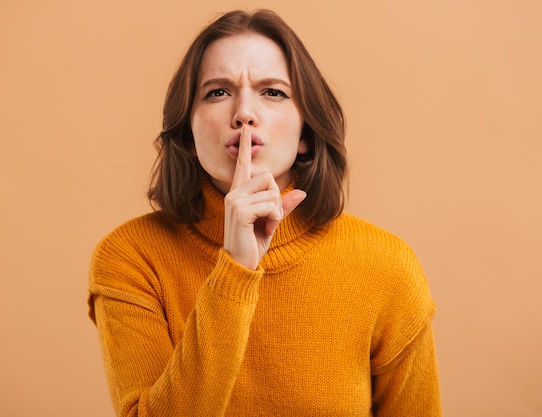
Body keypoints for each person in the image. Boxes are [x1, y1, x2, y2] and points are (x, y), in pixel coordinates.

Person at [88, 9, 442, 417]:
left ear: (306, 134)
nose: (244, 113)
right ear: (187, 134)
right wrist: (235, 268)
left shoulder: (387, 266)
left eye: (272, 92)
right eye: (217, 92)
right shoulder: (130, 257)